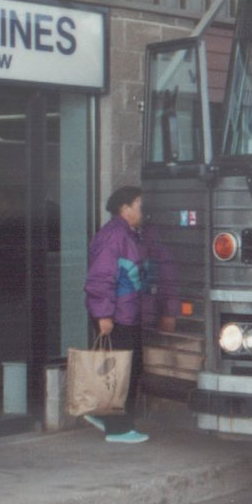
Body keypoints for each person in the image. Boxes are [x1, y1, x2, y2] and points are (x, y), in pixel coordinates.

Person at [82, 185, 165, 443]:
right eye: (140, 205)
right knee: (123, 372)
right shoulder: (114, 236)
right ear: (125, 208)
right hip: (117, 316)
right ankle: (118, 429)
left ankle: (106, 417)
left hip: (124, 313)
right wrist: (103, 315)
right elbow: (100, 278)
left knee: (122, 368)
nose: (144, 210)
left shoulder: (126, 233)